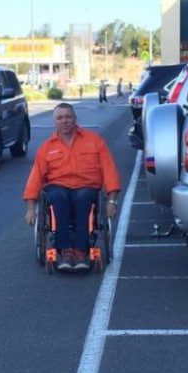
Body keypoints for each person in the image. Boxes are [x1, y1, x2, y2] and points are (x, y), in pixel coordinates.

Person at [23, 103, 120, 271]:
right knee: (59, 197)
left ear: (76, 119)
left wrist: (112, 201)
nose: (64, 121)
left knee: (82, 198)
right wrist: (31, 208)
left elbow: (108, 169)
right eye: (60, 118)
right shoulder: (46, 148)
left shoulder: (94, 141)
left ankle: (81, 251)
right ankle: (65, 251)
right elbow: (35, 177)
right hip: (58, 187)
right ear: (54, 122)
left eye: (68, 117)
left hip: (86, 187)